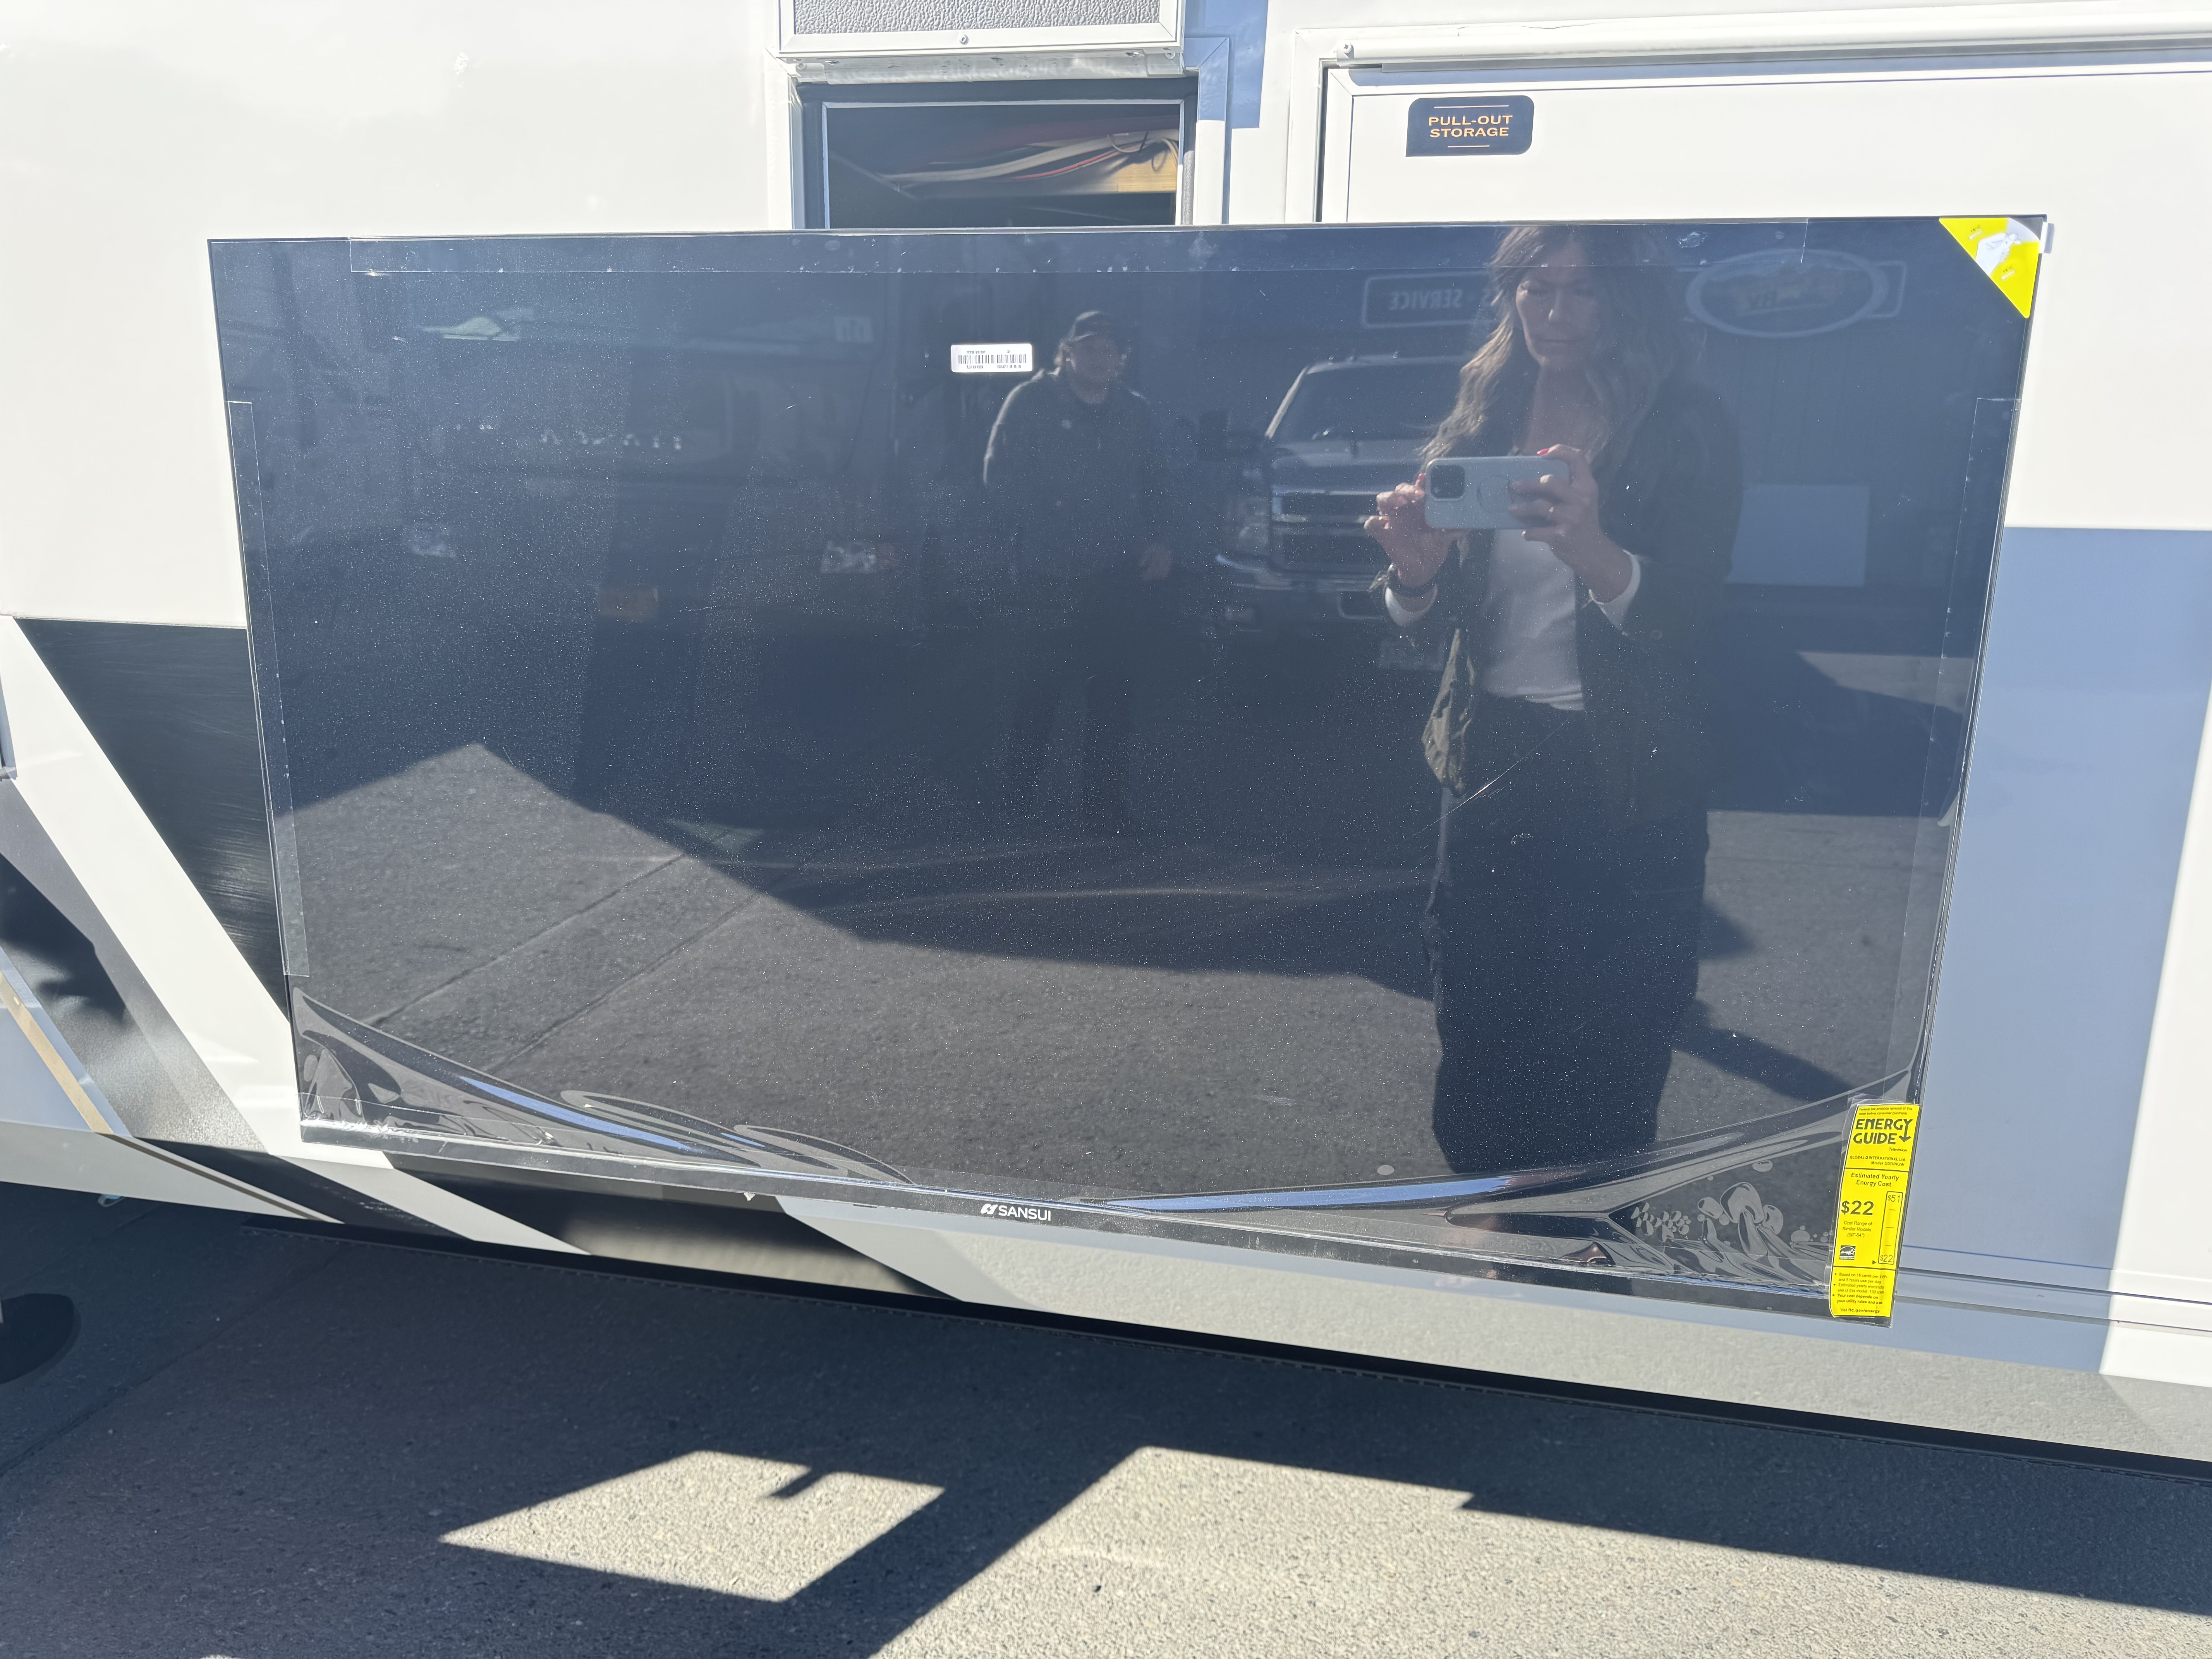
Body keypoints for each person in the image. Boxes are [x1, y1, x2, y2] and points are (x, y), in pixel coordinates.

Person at [1365, 225, 1743, 1173]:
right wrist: (1414, 578)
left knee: (1615, 1026)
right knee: (1479, 1010)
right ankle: (1489, 1215)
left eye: (1583, 290)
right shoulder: (1485, 416)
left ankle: (1589, 1232)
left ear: (1627, 299)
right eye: (1536, 288)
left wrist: (1595, 551)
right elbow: (1434, 619)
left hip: (1627, 771)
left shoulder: (1685, 424)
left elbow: (1696, 615)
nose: (1555, 312)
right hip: (1490, 755)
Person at [982, 311, 1175, 834]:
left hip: (1115, 575)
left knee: (1112, 698)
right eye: (1088, 348)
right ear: (1067, 352)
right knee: (1037, 693)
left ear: (1122, 360)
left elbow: (1158, 482)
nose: (1099, 358)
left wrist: (1162, 542)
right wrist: (1051, 522)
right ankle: (1016, 804)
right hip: (1048, 574)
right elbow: (999, 477)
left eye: (1109, 350)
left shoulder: (1135, 412)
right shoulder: (1028, 402)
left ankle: (1103, 809)